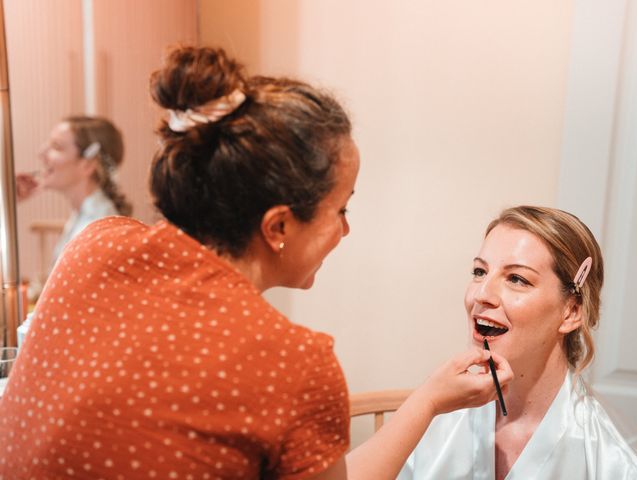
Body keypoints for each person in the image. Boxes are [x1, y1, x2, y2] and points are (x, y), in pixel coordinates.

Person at [0, 46, 512, 480]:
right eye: (342, 209)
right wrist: (428, 402)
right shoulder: (294, 365)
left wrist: (427, 399)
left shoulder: (95, 244)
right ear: (279, 227)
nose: (347, 230)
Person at [399, 205, 637, 479]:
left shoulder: (615, 461)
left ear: (571, 312)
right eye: (479, 272)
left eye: (516, 278)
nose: (481, 294)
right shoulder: (435, 424)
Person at [15, 115, 132, 266]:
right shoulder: (83, 216)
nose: (41, 153)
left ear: (88, 165)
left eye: (56, 147)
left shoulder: (95, 229)